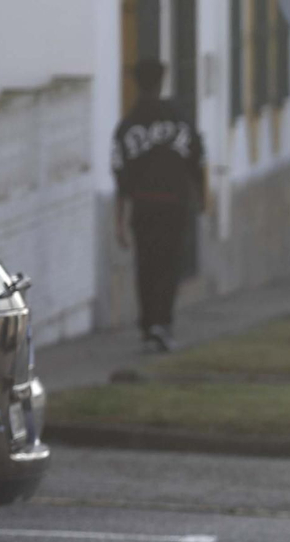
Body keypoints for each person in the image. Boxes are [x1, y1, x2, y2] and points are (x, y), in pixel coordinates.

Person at [111, 58, 205, 353]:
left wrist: (119, 222)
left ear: (136, 82)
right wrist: (202, 198)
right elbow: (197, 161)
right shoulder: (179, 119)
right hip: (175, 205)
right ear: (162, 80)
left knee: (146, 265)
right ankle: (162, 324)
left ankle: (149, 324)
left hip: (144, 207)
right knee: (169, 265)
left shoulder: (128, 126)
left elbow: (120, 175)